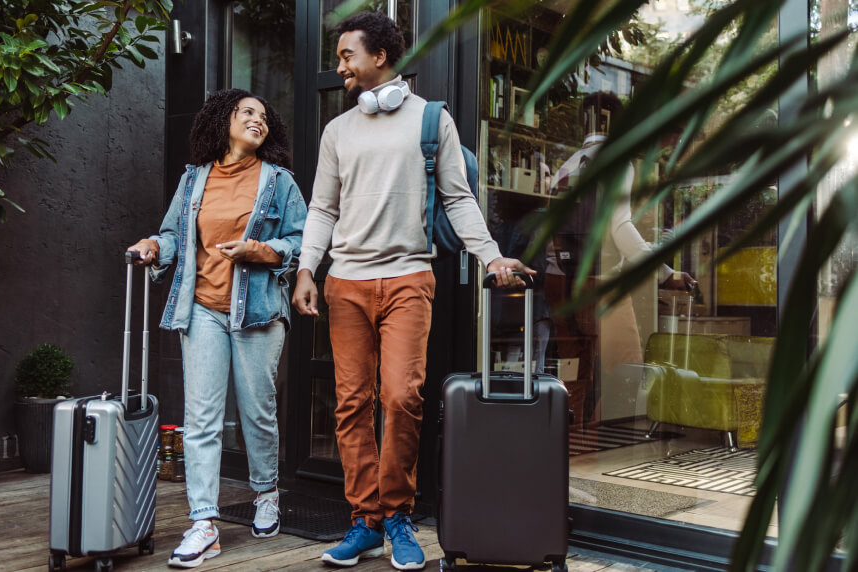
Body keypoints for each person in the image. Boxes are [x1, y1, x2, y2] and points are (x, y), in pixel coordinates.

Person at [291, 11, 533, 571]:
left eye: (348, 55)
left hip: (407, 278)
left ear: (380, 56)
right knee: (351, 403)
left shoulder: (431, 120)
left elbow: (458, 198)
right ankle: (364, 521)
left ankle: (398, 514)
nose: (339, 65)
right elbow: (323, 207)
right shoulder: (337, 132)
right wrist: (307, 269)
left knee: (401, 398)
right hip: (345, 282)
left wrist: (491, 255)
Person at [127, 88, 307, 569]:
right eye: (247, 112)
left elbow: (301, 239)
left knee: (257, 411)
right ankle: (203, 523)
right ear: (220, 121)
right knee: (201, 418)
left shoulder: (279, 182)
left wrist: (262, 252)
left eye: (264, 117)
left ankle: (265, 493)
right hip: (201, 307)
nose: (257, 120)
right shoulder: (193, 180)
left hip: (258, 310)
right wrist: (152, 245)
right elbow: (172, 236)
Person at [546, 90, 696, 425]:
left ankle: (568, 448)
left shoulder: (565, 167)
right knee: (626, 366)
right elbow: (620, 228)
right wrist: (665, 273)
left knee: (574, 370)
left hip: (559, 280)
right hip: (600, 282)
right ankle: (599, 446)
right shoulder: (618, 161)